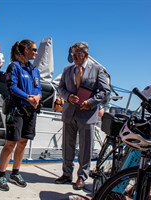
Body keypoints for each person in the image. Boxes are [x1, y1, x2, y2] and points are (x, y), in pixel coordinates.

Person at [56, 42, 110, 190]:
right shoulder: (67, 70)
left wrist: (91, 102)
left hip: (87, 114)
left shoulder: (97, 70)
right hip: (69, 113)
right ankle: (66, 174)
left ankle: (82, 176)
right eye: (72, 54)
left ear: (85, 55)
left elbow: (105, 90)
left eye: (77, 54)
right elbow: (60, 88)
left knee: (86, 148)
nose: (73, 57)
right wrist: (68, 97)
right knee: (67, 146)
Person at [0, 39, 42, 191]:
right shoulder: (14, 66)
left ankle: (15, 173)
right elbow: (12, 87)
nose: (36, 52)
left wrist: (38, 98)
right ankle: (1, 175)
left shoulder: (34, 70)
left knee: (23, 142)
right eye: (33, 49)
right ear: (25, 50)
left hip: (31, 111)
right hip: (17, 110)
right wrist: (29, 98)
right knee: (11, 143)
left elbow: (38, 87)